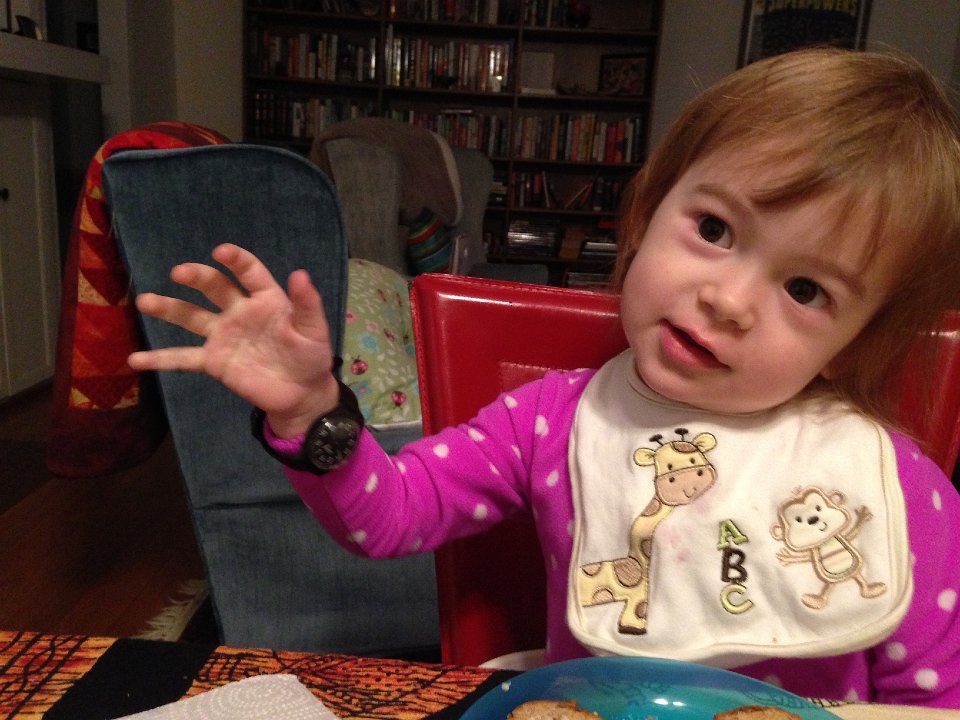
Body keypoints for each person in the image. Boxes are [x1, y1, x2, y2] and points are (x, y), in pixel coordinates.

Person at [128, 48, 960, 707]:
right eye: (714, 229)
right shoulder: (550, 421)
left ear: (854, 342)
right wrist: (314, 413)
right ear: (644, 216)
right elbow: (389, 517)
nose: (730, 300)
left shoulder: (895, 487)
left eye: (806, 290)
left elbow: (937, 700)